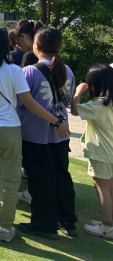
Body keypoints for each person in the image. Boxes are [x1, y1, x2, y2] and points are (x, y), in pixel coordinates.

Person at [0, 26, 70, 242]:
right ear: (5, 45)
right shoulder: (14, 70)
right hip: (9, 128)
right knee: (9, 181)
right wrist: (56, 121)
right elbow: (28, 103)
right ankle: (5, 227)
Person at [17, 26, 77, 240]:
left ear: (37, 46)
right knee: (62, 176)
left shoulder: (29, 72)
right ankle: (67, 219)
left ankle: (44, 224)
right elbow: (67, 101)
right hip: (62, 134)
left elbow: (20, 103)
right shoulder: (67, 70)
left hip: (35, 135)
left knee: (41, 179)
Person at [70, 64, 113, 238]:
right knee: (110, 188)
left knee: (102, 188)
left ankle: (107, 227)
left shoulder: (97, 105)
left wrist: (78, 93)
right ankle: (109, 221)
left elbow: (74, 110)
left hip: (102, 152)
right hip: (110, 151)